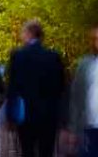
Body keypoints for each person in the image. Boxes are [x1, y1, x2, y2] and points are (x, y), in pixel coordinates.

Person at [7, 20, 66, 157]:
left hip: (25, 114)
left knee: (27, 150)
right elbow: (61, 87)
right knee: (46, 151)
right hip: (49, 114)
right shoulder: (53, 57)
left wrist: (10, 116)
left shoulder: (18, 56)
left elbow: (13, 88)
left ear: (29, 34)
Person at [67, 24, 98, 156]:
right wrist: (73, 128)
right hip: (89, 126)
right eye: (96, 38)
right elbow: (76, 97)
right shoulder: (85, 65)